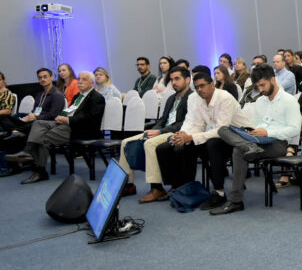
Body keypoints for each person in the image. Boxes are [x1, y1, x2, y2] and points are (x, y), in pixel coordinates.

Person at [203, 63, 300, 215]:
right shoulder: (260, 101)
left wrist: (267, 132)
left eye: (263, 85)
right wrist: (249, 131)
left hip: (277, 143)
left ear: (273, 80)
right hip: (256, 139)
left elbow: (295, 129)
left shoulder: (289, 100)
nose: (260, 90)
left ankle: (235, 201)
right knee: (222, 129)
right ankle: (248, 146)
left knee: (238, 150)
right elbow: (255, 124)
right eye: (258, 86)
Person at [156, 70, 250, 193]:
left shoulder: (225, 98)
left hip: (235, 136)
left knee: (211, 144)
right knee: (165, 148)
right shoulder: (193, 97)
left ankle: (219, 192)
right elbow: (192, 122)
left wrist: (191, 137)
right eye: (196, 87)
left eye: (202, 86)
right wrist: (182, 134)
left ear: (212, 85)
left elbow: (222, 130)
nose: (199, 90)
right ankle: (181, 188)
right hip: (211, 135)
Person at [16, 71, 105, 184]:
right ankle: (28, 150)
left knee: (43, 137)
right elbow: (70, 111)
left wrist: (68, 120)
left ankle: (40, 171)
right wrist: (62, 116)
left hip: (82, 130)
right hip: (66, 124)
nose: (80, 81)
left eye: (84, 79)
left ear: (92, 83)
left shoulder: (97, 98)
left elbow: (91, 118)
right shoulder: (78, 96)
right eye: (79, 79)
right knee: (38, 123)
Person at [118, 66, 191, 201]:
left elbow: (182, 123)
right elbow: (162, 120)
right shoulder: (172, 98)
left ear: (187, 80)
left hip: (178, 132)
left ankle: (157, 188)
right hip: (163, 130)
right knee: (125, 142)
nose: (174, 82)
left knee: (150, 144)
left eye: (177, 79)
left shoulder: (191, 98)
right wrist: (153, 130)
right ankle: (128, 185)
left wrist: (159, 132)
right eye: (172, 79)